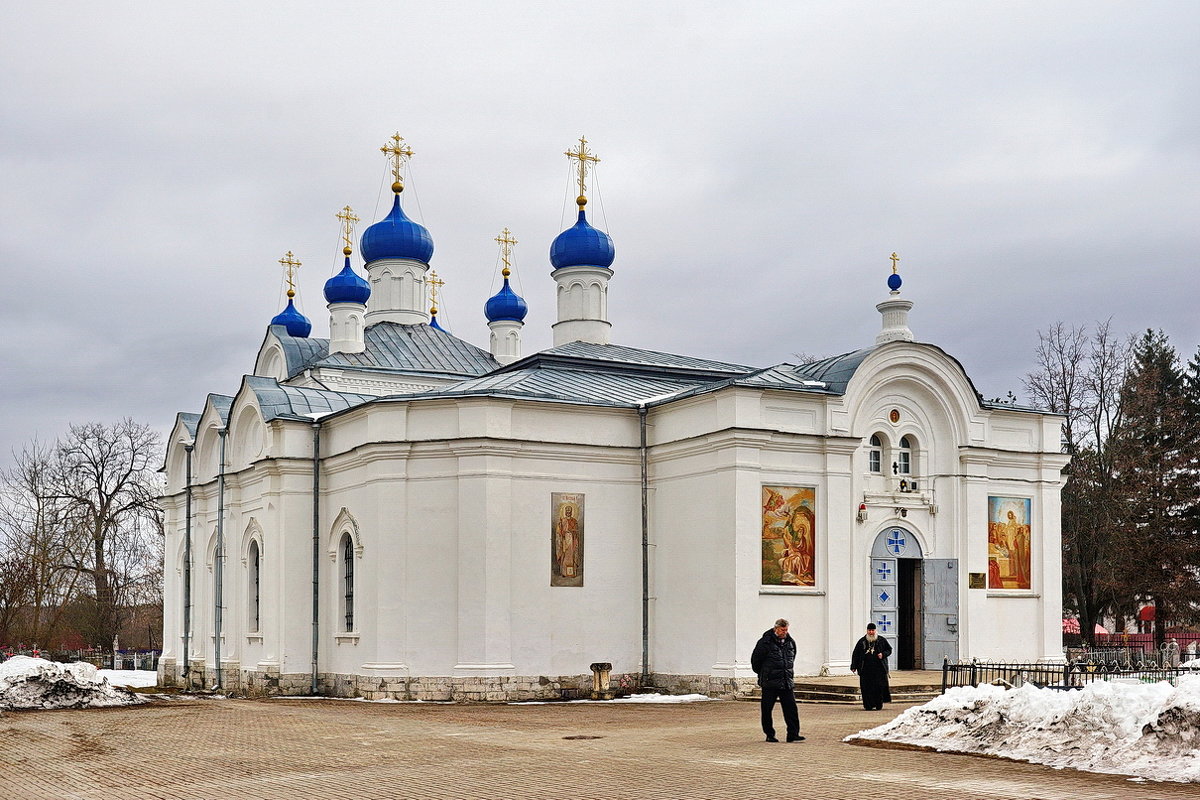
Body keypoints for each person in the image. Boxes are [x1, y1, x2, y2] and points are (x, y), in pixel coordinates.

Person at [751, 618, 803, 742]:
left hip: (786, 681)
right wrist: (765, 673)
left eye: (786, 630)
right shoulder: (765, 642)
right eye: (782, 630)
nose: (784, 632)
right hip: (770, 683)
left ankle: (793, 734)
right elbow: (756, 661)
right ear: (776, 629)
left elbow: (791, 657)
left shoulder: (790, 642)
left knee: (791, 709)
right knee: (767, 709)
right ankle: (770, 734)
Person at [850, 622, 892, 710]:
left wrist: (883, 654)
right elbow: (856, 654)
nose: (871, 632)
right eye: (869, 630)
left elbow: (889, 650)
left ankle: (878, 705)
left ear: (875, 631)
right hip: (865, 669)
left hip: (879, 669)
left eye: (873, 630)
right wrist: (854, 666)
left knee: (878, 688)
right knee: (866, 688)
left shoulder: (881, 640)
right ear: (867, 631)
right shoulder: (862, 641)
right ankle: (868, 705)